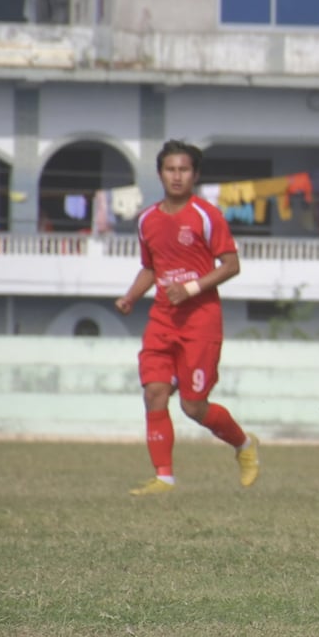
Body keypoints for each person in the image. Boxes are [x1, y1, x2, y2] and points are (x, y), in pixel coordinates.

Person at [114, 140, 261, 495]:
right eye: (170, 169)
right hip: (163, 319)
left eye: (183, 170)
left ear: (194, 175)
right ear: (160, 174)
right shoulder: (148, 220)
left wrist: (192, 288)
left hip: (200, 321)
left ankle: (244, 446)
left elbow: (231, 265)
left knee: (193, 406)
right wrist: (131, 296)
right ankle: (163, 478)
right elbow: (150, 268)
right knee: (154, 392)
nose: (176, 176)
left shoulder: (207, 215)